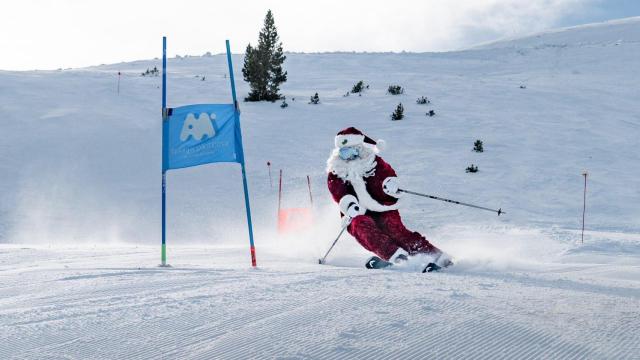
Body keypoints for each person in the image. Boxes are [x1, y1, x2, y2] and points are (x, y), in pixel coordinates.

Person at [326, 127, 450, 266]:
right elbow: (337, 191)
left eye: (351, 151)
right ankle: (396, 257)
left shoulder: (374, 163)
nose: (347, 157)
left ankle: (434, 256)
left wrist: (390, 186)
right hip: (356, 212)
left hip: (382, 207)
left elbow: (387, 177)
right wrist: (349, 204)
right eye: (343, 152)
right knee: (361, 225)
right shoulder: (337, 170)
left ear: (359, 149)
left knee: (393, 228)